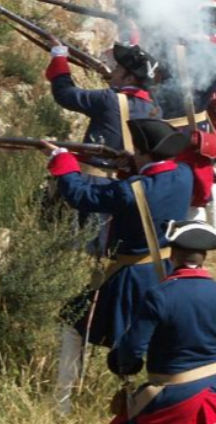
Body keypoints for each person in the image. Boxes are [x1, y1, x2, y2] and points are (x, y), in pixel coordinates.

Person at [44, 118, 195, 415]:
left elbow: (82, 196)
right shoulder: (183, 174)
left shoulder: (133, 189)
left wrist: (62, 161)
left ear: (142, 152)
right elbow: (151, 181)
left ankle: (61, 405)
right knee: (150, 338)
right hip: (164, 270)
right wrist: (131, 165)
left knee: (73, 326)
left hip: (129, 276)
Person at [107, 220, 216, 424]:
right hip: (215, 396)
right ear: (203, 258)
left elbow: (132, 349)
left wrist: (123, 365)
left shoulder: (159, 295)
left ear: (171, 256)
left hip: (173, 399)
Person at [153, 3, 216, 234]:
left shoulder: (167, 50)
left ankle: (191, 233)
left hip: (166, 131)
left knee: (180, 185)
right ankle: (214, 229)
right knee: (208, 176)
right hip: (198, 125)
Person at [47, 40, 161, 157]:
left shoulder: (110, 99)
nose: (113, 71)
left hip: (93, 172)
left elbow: (64, 94)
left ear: (129, 79)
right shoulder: (155, 111)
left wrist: (59, 55)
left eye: (117, 68)